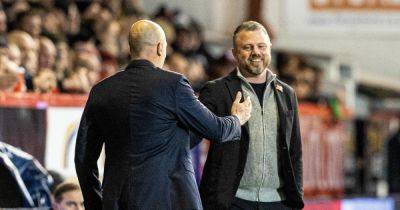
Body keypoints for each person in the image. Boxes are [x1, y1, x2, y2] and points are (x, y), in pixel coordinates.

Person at [75, 20, 252, 210]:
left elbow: (83, 158)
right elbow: (216, 130)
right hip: (168, 201)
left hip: (117, 201)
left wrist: (95, 202)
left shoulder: (101, 90)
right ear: (160, 48)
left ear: (131, 48)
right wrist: (237, 119)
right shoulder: (172, 85)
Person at [192, 21, 304, 209]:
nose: (256, 52)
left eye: (261, 46)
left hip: (278, 203)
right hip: (232, 202)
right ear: (235, 53)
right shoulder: (216, 91)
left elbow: (295, 151)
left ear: (269, 48)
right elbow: (191, 137)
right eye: (247, 47)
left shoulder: (287, 94)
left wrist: (296, 198)